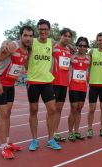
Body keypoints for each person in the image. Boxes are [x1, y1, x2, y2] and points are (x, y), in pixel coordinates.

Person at [0, 25, 34, 159]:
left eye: (31, 36)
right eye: (25, 35)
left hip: (10, 85)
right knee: (3, 114)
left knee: (8, 113)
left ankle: (7, 142)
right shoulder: (12, 46)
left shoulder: (27, 51)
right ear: (20, 35)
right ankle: (3, 147)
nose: (28, 38)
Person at [27, 19, 61, 151]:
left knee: (52, 110)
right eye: (41, 29)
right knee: (33, 110)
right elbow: (17, 43)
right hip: (33, 82)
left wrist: (74, 47)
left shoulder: (51, 42)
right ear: (37, 30)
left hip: (47, 82)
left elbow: (63, 44)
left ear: (49, 30)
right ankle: (34, 139)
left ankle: (50, 139)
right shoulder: (31, 42)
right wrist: (4, 43)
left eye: (45, 29)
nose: (43, 31)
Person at [67, 37, 91, 141]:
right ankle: (70, 132)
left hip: (83, 87)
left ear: (87, 47)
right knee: (73, 108)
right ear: (77, 46)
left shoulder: (89, 58)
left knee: (80, 108)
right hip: (73, 86)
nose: (82, 47)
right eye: (80, 45)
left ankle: (77, 131)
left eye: (84, 46)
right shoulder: (72, 57)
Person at [52, 28, 73, 142]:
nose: (67, 38)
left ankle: (55, 132)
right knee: (52, 109)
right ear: (60, 36)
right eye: (65, 35)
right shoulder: (53, 47)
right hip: (53, 82)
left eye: (69, 36)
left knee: (59, 109)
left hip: (64, 83)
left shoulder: (69, 50)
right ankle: (51, 134)